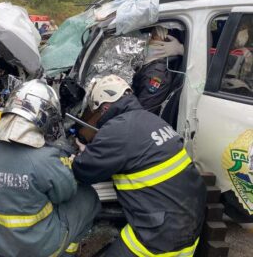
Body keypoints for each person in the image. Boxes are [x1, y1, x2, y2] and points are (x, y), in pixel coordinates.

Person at [72, 75, 207, 257]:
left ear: (105, 107)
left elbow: (83, 170)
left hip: (160, 237)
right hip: (189, 229)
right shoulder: (152, 120)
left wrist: (81, 155)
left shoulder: (117, 129)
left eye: (98, 112)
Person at [0, 79, 100, 257]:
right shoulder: (43, 159)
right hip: (38, 248)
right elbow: (66, 193)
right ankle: (66, 252)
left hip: (0, 245)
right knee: (87, 196)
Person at [132, 26, 184, 115]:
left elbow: (143, 112)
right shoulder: (147, 64)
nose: (147, 40)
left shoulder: (156, 74)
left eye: (152, 37)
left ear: (165, 42)